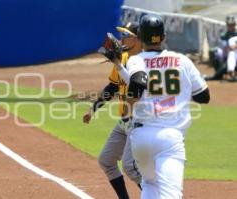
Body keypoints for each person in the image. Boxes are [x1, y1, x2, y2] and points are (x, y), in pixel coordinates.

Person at [113, 14, 210, 198]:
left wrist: (128, 107)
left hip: (140, 138)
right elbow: (204, 96)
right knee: (171, 194)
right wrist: (178, 91)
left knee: (150, 185)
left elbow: (139, 82)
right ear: (163, 37)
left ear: (140, 37)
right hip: (170, 139)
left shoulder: (136, 60)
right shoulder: (182, 60)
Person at [83, 22, 142, 199]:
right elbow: (112, 88)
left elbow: (139, 87)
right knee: (106, 161)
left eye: (126, 35)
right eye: (122, 35)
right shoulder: (122, 58)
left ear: (138, 39)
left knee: (131, 168)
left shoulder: (145, 62)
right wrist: (93, 109)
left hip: (138, 122)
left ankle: (158, 195)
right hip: (123, 122)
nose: (122, 39)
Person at [206, 15, 237, 81]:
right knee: (213, 51)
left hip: (235, 55)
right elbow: (223, 47)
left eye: (232, 24)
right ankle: (219, 73)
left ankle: (215, 76)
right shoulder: (224, 35)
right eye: (229, 25)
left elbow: (233, 48)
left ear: (235, 24)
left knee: (231, 55)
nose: (231, 26)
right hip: (226, 54)